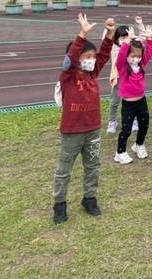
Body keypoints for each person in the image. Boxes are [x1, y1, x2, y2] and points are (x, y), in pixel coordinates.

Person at [53, 14, 114, 224]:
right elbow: (69, 59)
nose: (91, 60)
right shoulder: (68, 75)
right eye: (86, 57)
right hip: (71, 131)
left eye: (92, 57)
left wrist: (110, 33)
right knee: (64, 169)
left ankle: (89, 199)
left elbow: (105, 54)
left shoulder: (93, 73)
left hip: (93, 129)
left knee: (93, 165)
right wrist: (83, 34)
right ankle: (59, 205)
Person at [114, 24, 152, 164]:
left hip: (141, 101)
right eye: (133, 56)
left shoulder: (141, 65)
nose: (136, 58)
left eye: (138, 56)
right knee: (126, 129)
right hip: (128, 104)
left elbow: (148, 53)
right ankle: (120, 152)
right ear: (127, 55)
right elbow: (120, 56)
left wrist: (149, 39)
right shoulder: (122, 67)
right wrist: (127, 41)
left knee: (144, 125)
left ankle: (139, 145)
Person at [104, 20, 144, 135]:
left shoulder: (133, 48)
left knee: (133, 102)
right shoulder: (114, 48)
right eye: (122, 38)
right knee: (114, 102)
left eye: (127, 37)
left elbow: (142, 39)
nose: (125, 40)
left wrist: (140, 25)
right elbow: (106, 39)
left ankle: (134, 121)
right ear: (116, 39)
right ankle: (112, 122)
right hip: (118, 79)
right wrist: (109, 29)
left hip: (131, 80)